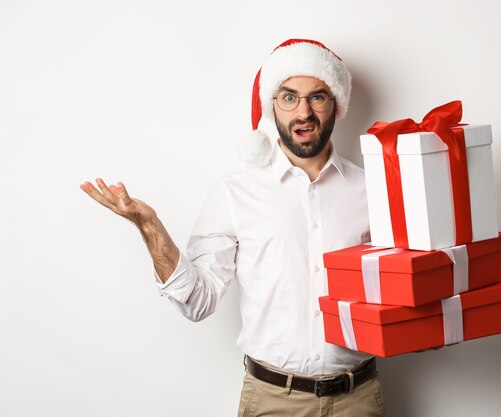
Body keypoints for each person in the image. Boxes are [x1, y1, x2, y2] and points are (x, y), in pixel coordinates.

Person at [80, 39, 385, 417]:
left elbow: (398, 288)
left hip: (359, 399)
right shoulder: (235, 193)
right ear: (271, 106)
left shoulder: (376, 190)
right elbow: (197, 301)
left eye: (317, 97)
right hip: (274, 401)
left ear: (335, 104)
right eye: (289, 97)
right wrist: (149, 226)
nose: (303, 112)